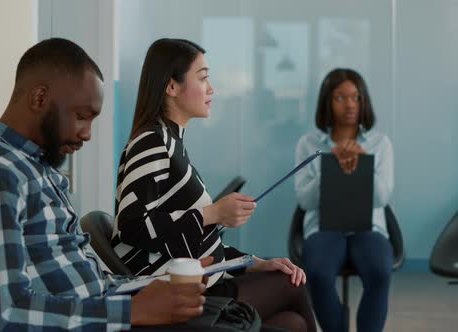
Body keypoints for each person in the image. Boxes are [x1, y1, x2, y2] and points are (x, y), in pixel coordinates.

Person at [0, 38, 219, 332]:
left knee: (233, 314)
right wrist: (131, 311)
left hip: (107, 311)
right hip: (107, 321)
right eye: (81, 116)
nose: (86, 134)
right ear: (39, 99)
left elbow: (91, 285)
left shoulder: (36, 168)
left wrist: (162, 283)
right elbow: (10, 312)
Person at [112, 38, 316, 332]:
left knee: (292, 323)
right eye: (203, 78)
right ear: (171, 87)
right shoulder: (152, 142)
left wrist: (256, 262)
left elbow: (193, 240)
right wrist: (213, 214)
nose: (211, 89)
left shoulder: (171, 142)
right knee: (291, 284)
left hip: (202, 280)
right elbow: (131, 226)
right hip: (178, 291)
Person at [294, 68, 394, 332]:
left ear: (364, 102)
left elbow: (383, 197)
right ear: (327, 102)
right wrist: (331, 167)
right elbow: (305, 201)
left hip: (368, 229)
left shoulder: (380, 143)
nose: (350, 104)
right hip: (324, 228)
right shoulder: (308, 144)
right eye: (340, 98)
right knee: (316, 273)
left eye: (356, 97)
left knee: (381, 272)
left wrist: (364, 166)